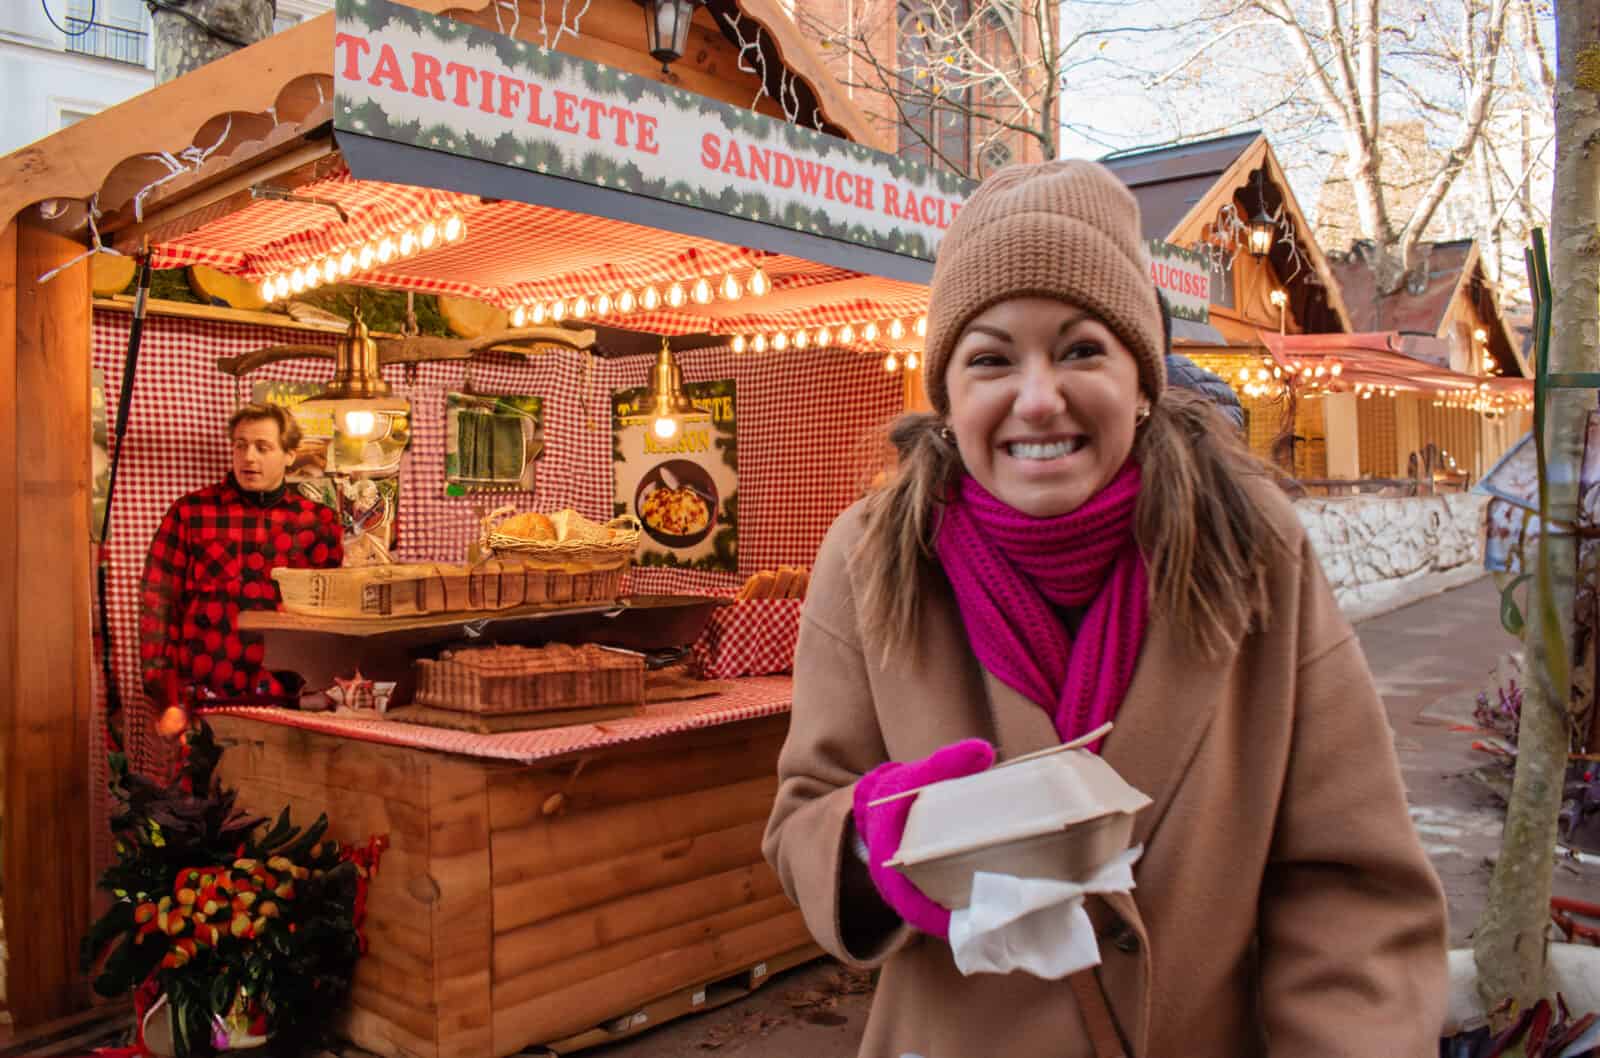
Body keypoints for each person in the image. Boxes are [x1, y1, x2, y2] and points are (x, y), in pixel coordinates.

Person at [763, 161, 1447, 1058]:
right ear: (950, 395)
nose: (1038, 397)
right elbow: (804, 815)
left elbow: (1350, 885)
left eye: (1082, 349)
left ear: (1142, 378)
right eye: (992, 359)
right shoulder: (870, 557)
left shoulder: (1254, 551)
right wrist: (873, 842)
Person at [139, 403, 343, 735]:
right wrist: (165, 693)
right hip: (202, 702)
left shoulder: (317, 523)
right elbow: (157, 606)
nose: (249, 457)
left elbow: (328, 618)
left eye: (263, 447)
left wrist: (324, 687)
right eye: (240, 445)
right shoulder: (191, 513)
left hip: (291, 701)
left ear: (290, 454)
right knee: (199, 787)